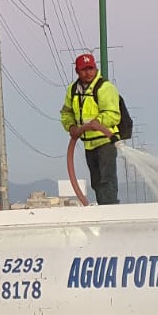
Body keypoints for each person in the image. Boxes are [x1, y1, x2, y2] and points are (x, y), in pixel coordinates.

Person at [59, 53, 122, 205]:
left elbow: (113, 115)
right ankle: (103, 209)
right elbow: (66, 112)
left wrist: (97, 122)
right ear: (77, 71)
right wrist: (71, 126)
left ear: (95, 68)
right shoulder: (72, 90)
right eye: (84, 69)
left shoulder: (105, 88)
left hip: (106, 141)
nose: (88, 72)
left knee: (107, 180)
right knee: (96, 182)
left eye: (90, 68)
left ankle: (110, 211)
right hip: (88, 143)